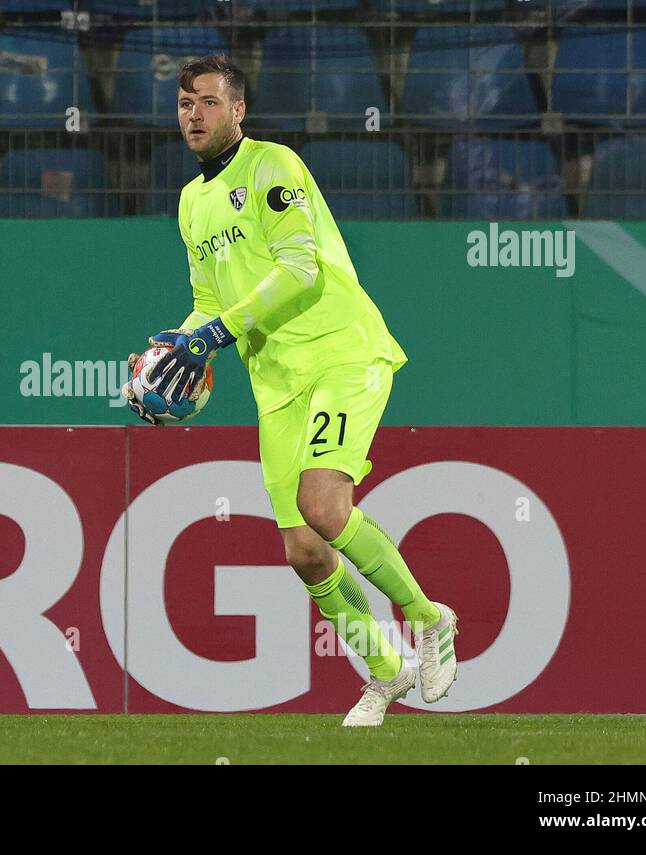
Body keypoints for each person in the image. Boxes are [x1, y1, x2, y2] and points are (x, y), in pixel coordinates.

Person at [123, 55, 458, 727]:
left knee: (324, 504)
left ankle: (429, 617)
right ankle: (385, 672)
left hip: (340, 351)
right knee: (304, 549)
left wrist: (214, 332)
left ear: (238, 110)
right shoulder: (192, 202)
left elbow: (301, 270)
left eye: (209, 102)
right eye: (185, 103)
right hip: (276, 382)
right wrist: (160, 359)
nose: (194, 114)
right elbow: (206, 301)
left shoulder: (272, 166)